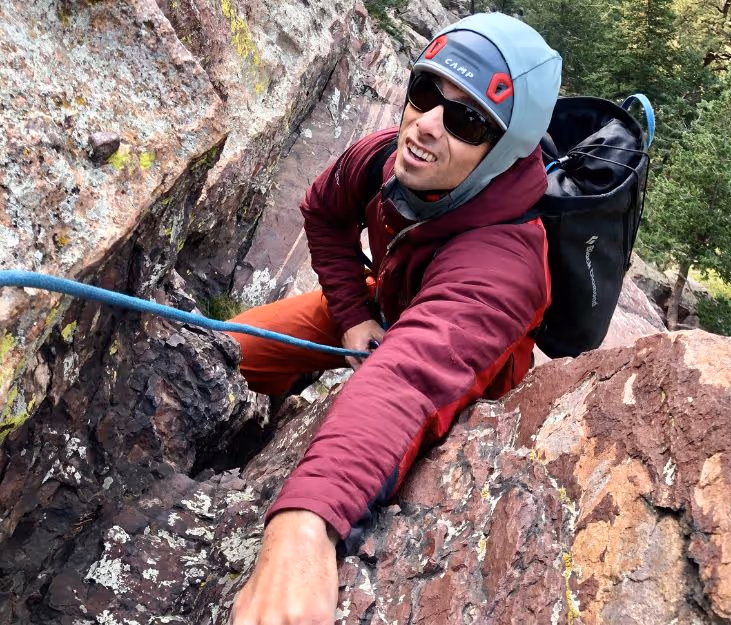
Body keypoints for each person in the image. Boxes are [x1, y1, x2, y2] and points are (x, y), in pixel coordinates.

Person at [228, 12, 561, 624]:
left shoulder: (506, 264)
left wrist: (305, 527)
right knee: (228, 353)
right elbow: (324, 211)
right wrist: (354, 317)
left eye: (466, 120)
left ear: (503, 151)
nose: (426, 125)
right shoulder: (387, 157)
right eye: (426, 92)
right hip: (384, 303)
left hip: (462, 368)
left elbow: (406, 380)